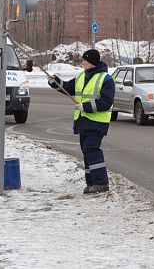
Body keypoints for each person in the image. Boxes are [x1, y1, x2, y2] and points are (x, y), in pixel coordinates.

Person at [48, 48, 115, 194]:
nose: (83, 63)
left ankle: (101, 182)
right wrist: (56, 82)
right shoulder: (81, 77)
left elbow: (106, 102)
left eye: (85, 60)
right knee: (86, 151)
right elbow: (69, 88)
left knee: (91, 149)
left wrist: (86, 107)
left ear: (92, 62)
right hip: (83, 121)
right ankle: (91, 183)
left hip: (97, 122)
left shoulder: (106, 79)